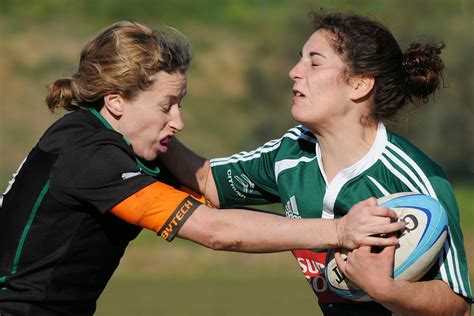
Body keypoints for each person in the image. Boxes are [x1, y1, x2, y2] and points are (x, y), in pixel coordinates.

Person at [0, 21, 406, 316]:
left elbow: (213, 210)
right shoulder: (88, 154)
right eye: (166, 106)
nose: (178, 122)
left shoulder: (118, 146)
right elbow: (215, 232)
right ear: (116, 101)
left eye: (180, 104)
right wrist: (338, 231)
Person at [161, 12, 472, 315]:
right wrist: (148, 122)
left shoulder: (419, 179)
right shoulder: (291, 151)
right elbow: (207, 181)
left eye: (314, 62)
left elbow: (457, 304)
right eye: (300, 58)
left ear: (360, 85)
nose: (294, 71)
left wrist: (386, 290)